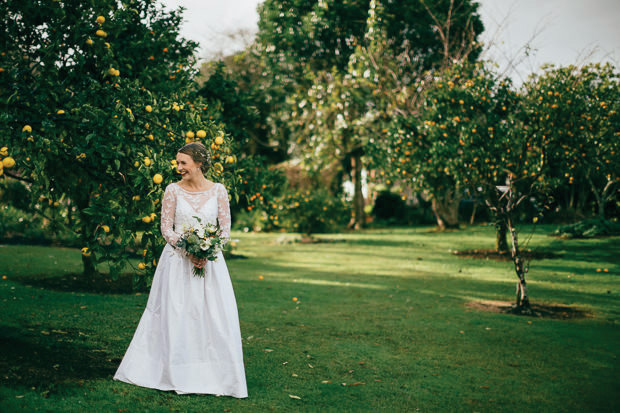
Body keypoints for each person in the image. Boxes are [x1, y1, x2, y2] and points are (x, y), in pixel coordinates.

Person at [114, 142, 248, 398]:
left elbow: (225, 229)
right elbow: (166, 228)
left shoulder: (219, 191)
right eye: (177, 163)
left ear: (199, 163)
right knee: (177, 315)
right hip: (177, 263)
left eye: (183, 163)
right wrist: (189, 249)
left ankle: (216, 375)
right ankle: (174, 371)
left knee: (213, 318)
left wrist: (207, 251)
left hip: (211, 266)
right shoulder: (172, 191)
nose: (178, 168)